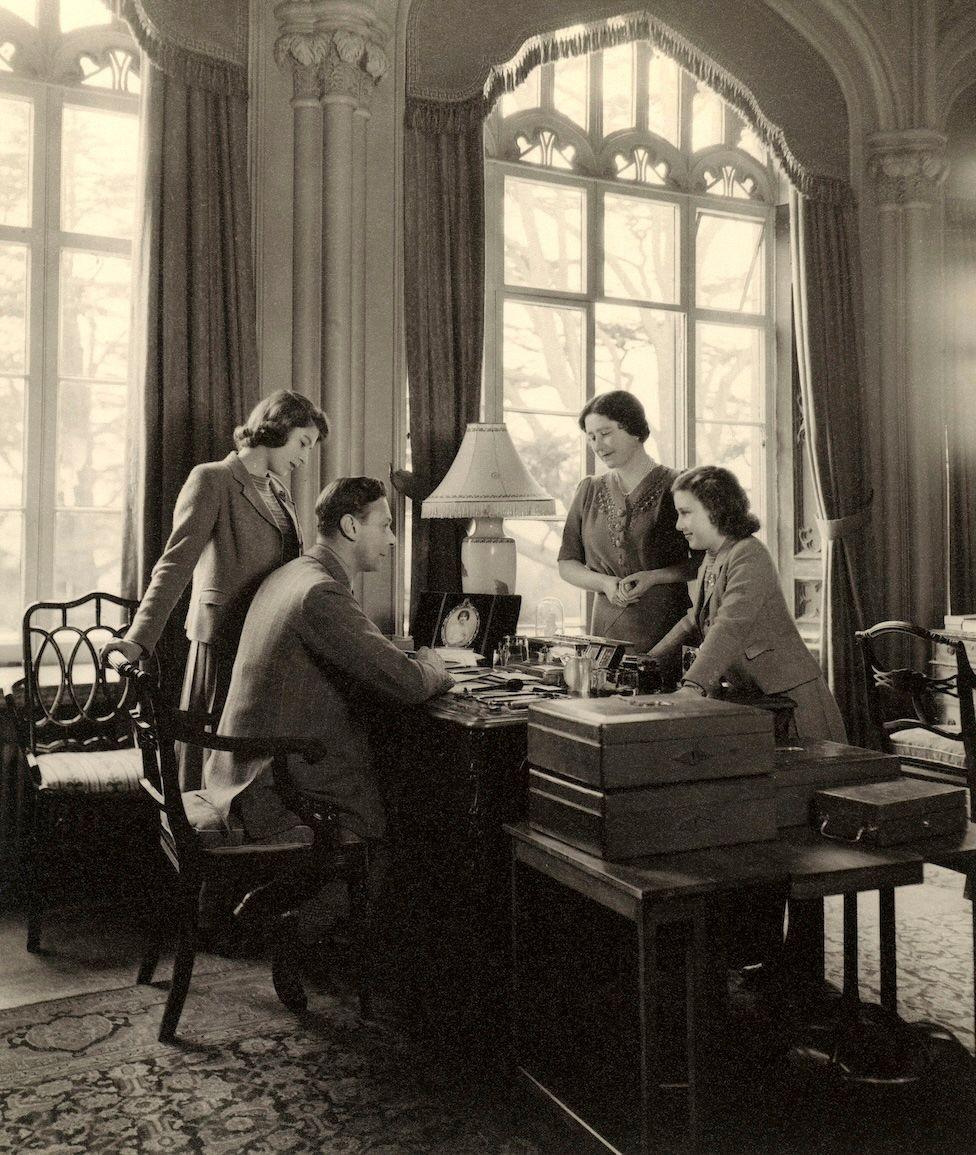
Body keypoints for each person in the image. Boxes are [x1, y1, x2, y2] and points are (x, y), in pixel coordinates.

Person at [204, 476, 453, 846]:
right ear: (351, 527)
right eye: (384, 526)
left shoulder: (293, 574)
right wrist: (436, 665)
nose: (392, 538)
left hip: (242, 769)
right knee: (412, 809)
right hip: (274, 791)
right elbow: (410, 683)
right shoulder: (320, 592)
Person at [101, 390, 329, 786]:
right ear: (277, 429)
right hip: (223, 641)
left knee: (251, 763)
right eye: (302, 443)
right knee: (209, 758)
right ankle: (199, 837)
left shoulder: (279, 492)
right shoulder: (212, 479)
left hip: (266, 643)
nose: (305, 459)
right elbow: (174, 565)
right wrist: (138, 640)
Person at [650, 463, 846, 742]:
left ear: (714, 509)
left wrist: (693, 686)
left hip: (792, 701)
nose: (679, 525)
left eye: (685, 513)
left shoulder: (749, 555)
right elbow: (693, 621)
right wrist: (645, 661)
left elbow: (729, 627)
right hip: (762, 697)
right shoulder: (713, 555)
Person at [558, 391, 700, 680]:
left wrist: (654, 577)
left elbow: (701, 561)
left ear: (634, 429)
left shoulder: (678, 485)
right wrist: (605, 583)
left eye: (605, 433)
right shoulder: (588, 490)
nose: (597, 445)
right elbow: (567, 563)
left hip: (666, 626)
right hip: (606, 633)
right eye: (591, 437)